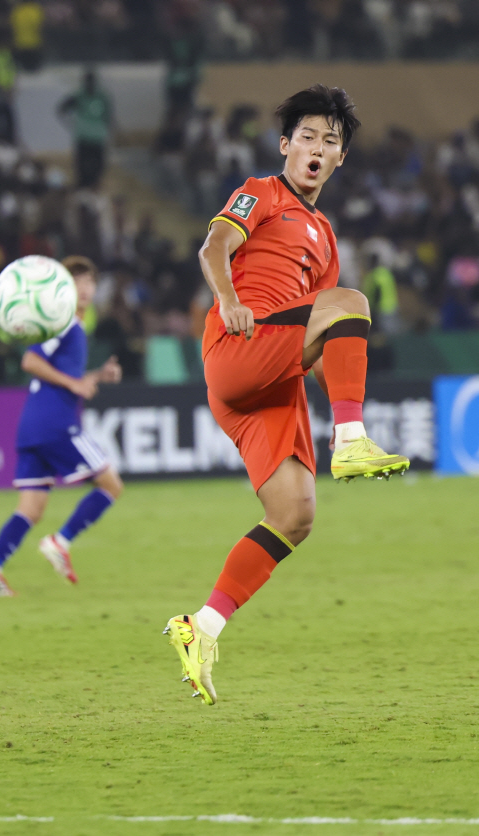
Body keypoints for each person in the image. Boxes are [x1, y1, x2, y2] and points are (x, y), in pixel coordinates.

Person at [163, 86, 409, 706]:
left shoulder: (324, 235)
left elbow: (324, 343)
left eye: (330, 141)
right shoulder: (262, 192)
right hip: (239, 345)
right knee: (352, 301)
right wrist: (228, 300)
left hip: (275, 376)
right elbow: (213, 246)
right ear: (285, 145)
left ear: (341, 158)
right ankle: (350, 440)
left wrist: (341, 388)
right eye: (307, 137)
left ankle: (201, 627)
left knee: (295, 515)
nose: (317, 149)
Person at [0, 256, 123, 597]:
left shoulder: (72, 326)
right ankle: (61, 541)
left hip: (33, 425)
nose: (85, 288)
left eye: (90, 282)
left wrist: (96, 376)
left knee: (31, 508)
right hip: (56, 423)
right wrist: (74, 384)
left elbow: (63, 375)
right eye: (77, 281)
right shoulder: (63, 323)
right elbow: (30, 360)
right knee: (111, 484)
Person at [57, 69, 113, 189]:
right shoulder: (82, 96)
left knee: (94, 165)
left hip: (93, 137)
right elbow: (62, 109)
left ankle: (91, 185)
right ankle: (86, 185)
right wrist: (70, 123)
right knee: (85, 165)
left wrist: (70, 123)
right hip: (88, 136)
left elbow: (61, 109)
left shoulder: (99, 96)